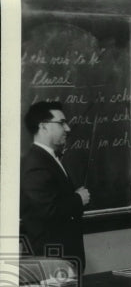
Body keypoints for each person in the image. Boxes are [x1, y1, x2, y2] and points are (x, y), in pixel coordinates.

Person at [20, 101, 91, 271]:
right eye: (61, 123)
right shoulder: (36, 162)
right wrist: (78, 199)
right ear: (44, 126)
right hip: (49, 261)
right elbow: (47, 210)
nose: (67, 128)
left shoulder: (48, 158)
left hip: (60, 259)